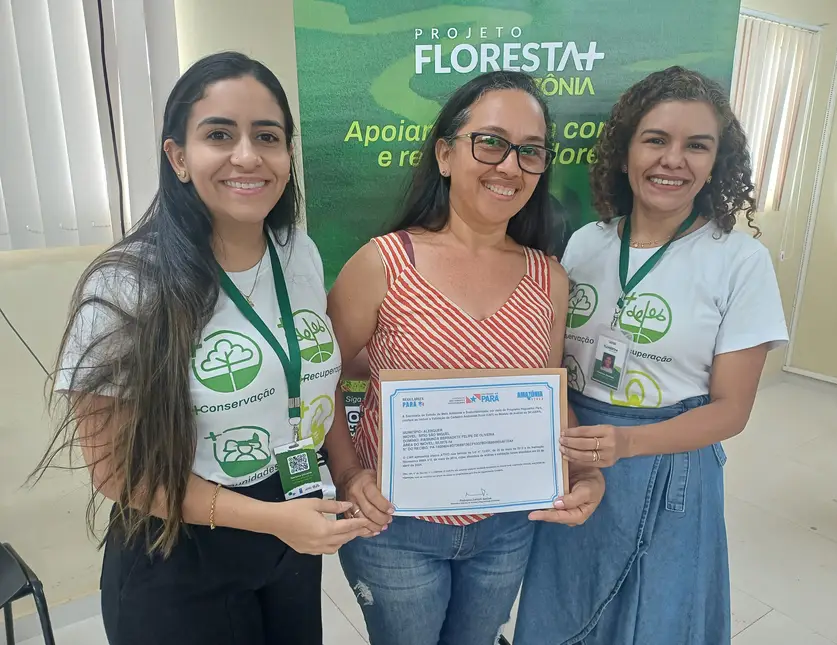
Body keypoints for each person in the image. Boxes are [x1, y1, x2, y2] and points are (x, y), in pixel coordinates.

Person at [34, 52, 372, 645]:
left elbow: (321, 380)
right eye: (220, 134)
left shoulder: (298, 251)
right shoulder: (124, 284)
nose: (247, 155)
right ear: (179, 157)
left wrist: (348, 476)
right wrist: (270, 521)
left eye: (267, 136)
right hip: (178, 548)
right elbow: (118, 473)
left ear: (288, 155)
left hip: (291, 524)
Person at [323, 70, 606, 645]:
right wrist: (350, 475)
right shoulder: (382, 264)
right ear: (446, 154)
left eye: (530, 151)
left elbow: (548, 401)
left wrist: (586, 471)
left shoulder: (547, 278)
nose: (510, 166)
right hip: (394, 528)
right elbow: (320, 383)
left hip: (507, 528)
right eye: (491, 142)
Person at [514, 66, 789, 645]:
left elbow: (730, 411)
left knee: (657, 618)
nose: (673, 160)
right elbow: (551, 361)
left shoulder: (738, 261)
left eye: (696, 145)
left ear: (717, 162)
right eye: (656, 140)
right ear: (625, 151)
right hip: (576, 451)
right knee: (565, 605)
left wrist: (630, 443)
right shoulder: (588, 242)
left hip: (670, 464)